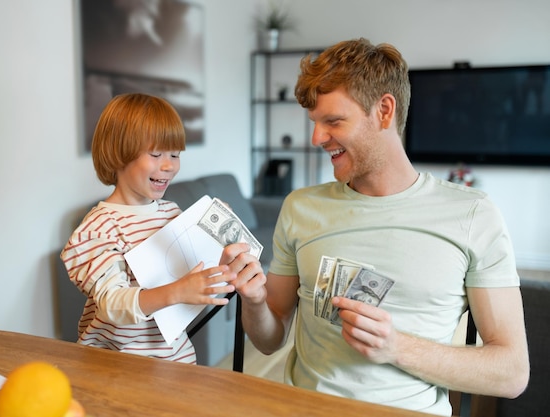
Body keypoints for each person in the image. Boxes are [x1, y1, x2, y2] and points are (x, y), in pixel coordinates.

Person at [234, 38, 529, 416]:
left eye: (334, 121)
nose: (316, 138)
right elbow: (269, 341)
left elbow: (511, 373)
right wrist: (255, 303)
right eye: (314, 123)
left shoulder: (474, 215)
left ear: (384, 111)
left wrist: (396, 347)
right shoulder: (299, 207)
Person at [60, 93, 259, 364]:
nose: (169, 165)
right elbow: (112, 305)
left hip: (175, 358)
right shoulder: (99, 229)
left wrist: (221, 266)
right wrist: (178, 290)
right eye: (156, 154)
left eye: (175, 154)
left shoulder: (170, 212)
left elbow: (189, 284)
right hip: (116, 366)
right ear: (119, 154)